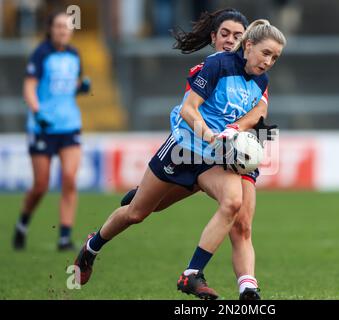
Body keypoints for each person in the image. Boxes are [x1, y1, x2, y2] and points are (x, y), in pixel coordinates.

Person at [74, 18, 286, 301]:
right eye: (266, 53)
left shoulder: (261, 79)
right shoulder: (216, 66)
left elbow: (259, 113)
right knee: (138, 212)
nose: (270, 61)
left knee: (234, 203)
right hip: (183, 148)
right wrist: (212, 136)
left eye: (275, 57)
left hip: (214, 158)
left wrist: (234, 132)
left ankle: (193, 274)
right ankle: (92, 246)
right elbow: (188, 110)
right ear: (249, 45)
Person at [13, 11, 90, 251]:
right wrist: (38, 113)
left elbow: (71, 86)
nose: (62, 31)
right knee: (41, 185)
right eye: (58, 26)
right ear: (51, 29)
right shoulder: (40, 53)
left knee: (69, 179)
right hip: (43, 127)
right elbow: (29, 89)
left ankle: (64, 236)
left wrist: (82, 87)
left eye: (66, 27)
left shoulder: (74, 54)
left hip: (69, 125)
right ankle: (23, 223)